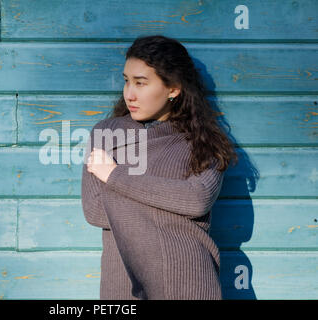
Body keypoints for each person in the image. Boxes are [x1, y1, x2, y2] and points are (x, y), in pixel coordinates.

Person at [81, 35, 238, 300]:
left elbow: (197, 200)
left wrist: (114, 176)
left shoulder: (203, 142)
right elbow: (96, 211)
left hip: (188, 279)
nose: (129, 93)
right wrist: (172, 202)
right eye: (126, 80)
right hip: (122, 281)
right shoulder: (105, 134)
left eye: (141, 83)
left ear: (173, 88)